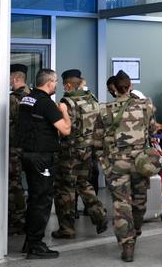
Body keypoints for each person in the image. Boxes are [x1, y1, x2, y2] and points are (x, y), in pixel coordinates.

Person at [93, 71, 157, 261]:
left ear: (114, 89)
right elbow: (152, 131)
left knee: (121, 205)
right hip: (140, 163)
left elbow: (97, 142)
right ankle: (135, 230)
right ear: (130, 87)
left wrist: (105, 164)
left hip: (116, 164)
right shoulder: (146, 106)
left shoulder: (105, 110)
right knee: (139, 202)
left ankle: (127, 246)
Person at [18, 68, 71, 259]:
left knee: (34, 198)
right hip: (41, 158)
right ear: (49, 82)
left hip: (28, 156)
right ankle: (35, 245)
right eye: (55, 81)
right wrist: (64, 112)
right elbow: (65, 130)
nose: (56, 84)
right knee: (42, 201)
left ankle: (29, 242)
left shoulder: (27, 99)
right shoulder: (46, 103)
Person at [52, 69, 108, 240]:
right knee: (84, 183)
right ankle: (100, 216)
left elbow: (64, 130)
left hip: (70, 152)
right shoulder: (92, 99)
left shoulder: (66, 102)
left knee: (65, 188)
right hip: (88, 150)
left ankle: (67, 229)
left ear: (68, 84)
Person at [8, 63, 30, 235]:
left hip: (14, 148)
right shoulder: (32, 96)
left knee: (13, 184)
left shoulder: (13, 99)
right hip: (29, 148)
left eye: (9, 77)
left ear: (15, 79)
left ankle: (18, 218)